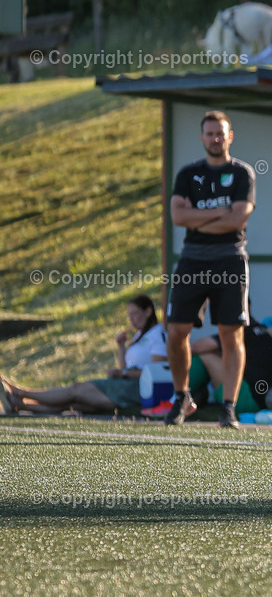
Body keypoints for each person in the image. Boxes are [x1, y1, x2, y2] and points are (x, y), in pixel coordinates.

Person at [164, 110, 256, 428]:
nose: (215, 138)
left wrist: (198, 216)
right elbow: (178, 218)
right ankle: (181, 398)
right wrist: (221, 212)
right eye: (210, 133)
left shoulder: (242, 173)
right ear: (202, 137)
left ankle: (228, 407)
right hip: (192, 260)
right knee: (176, 332)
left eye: (221, 133)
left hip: (230, 259)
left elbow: (238, 219)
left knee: (231, 336)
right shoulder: (188, 174)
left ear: (230, 136)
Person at [1, 296, 166, 415]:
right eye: (129, 315)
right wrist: (121, 347)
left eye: (135, 314)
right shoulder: (138, 336)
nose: (131, 319)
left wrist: (122, 374)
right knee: (74, 403)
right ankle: (21, 406)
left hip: (135, 390)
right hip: (122, 384)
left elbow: (156, 373)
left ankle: (21, 392)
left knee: (76, 390)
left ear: (148, 311)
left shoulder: (158, 334)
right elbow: (125, 368)